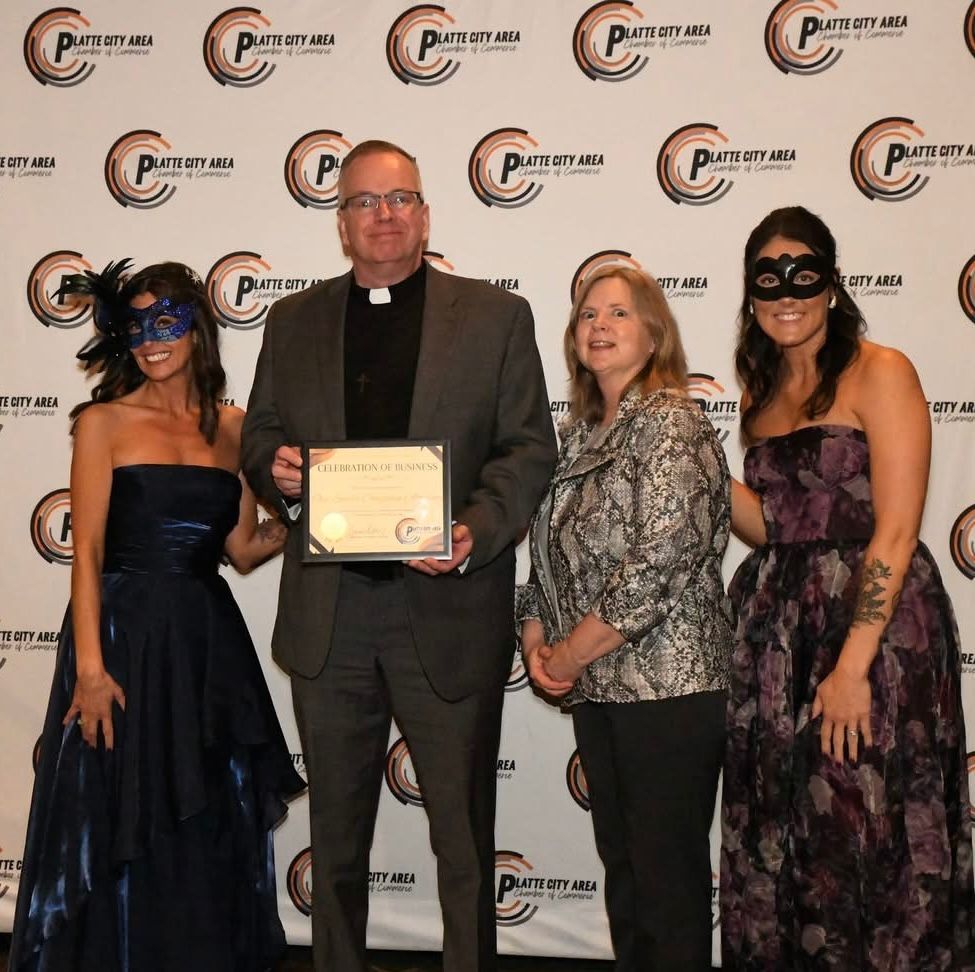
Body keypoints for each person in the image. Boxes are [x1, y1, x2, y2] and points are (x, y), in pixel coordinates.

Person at [240, 139, 557, 972]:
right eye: (363, 203)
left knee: (462, 839)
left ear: (424, 214)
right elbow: (262, 434)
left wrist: (476, 531)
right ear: (340, 224)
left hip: (447, 608)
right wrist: (277, 475)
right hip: (330, 619)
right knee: (336, 842)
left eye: (399, 199)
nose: (383, 216)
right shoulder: (291, 319)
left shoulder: (494, 317)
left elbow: (527, 450)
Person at [9, 261, 306, 972]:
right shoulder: (103, 422)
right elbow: (85, 556)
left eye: (165, 321)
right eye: (134, 326)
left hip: (204, 642)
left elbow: (240, 547)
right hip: (121, 640)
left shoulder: (233, 428)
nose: (150, 340)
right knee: (117, 813)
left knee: (201, 811)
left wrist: (314, 515)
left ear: (197, 325)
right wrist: (89, 669)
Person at [720, 206, 975, 969]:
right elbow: (773, 527)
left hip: (873, 638)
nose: (785, 292)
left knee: (866, 825)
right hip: (777, 641)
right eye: (768, 279)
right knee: (788, 829)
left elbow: (894, 531)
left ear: (831, 285)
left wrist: (850, 666)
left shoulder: (880, 370)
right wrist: (700, 469)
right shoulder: (757, 393)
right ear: (751, 295)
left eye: (803, 273)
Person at [519, 266, 733, 970]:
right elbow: (548, 555)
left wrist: (569, 653)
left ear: (653, 335)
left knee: (665, 882)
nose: (599, 325)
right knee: (625, 873)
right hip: (602, 689)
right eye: (587, 314)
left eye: (618, 313)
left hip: (668, 690)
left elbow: (659, 565)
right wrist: (531, 632)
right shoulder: (577, 434)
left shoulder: (672, 421)